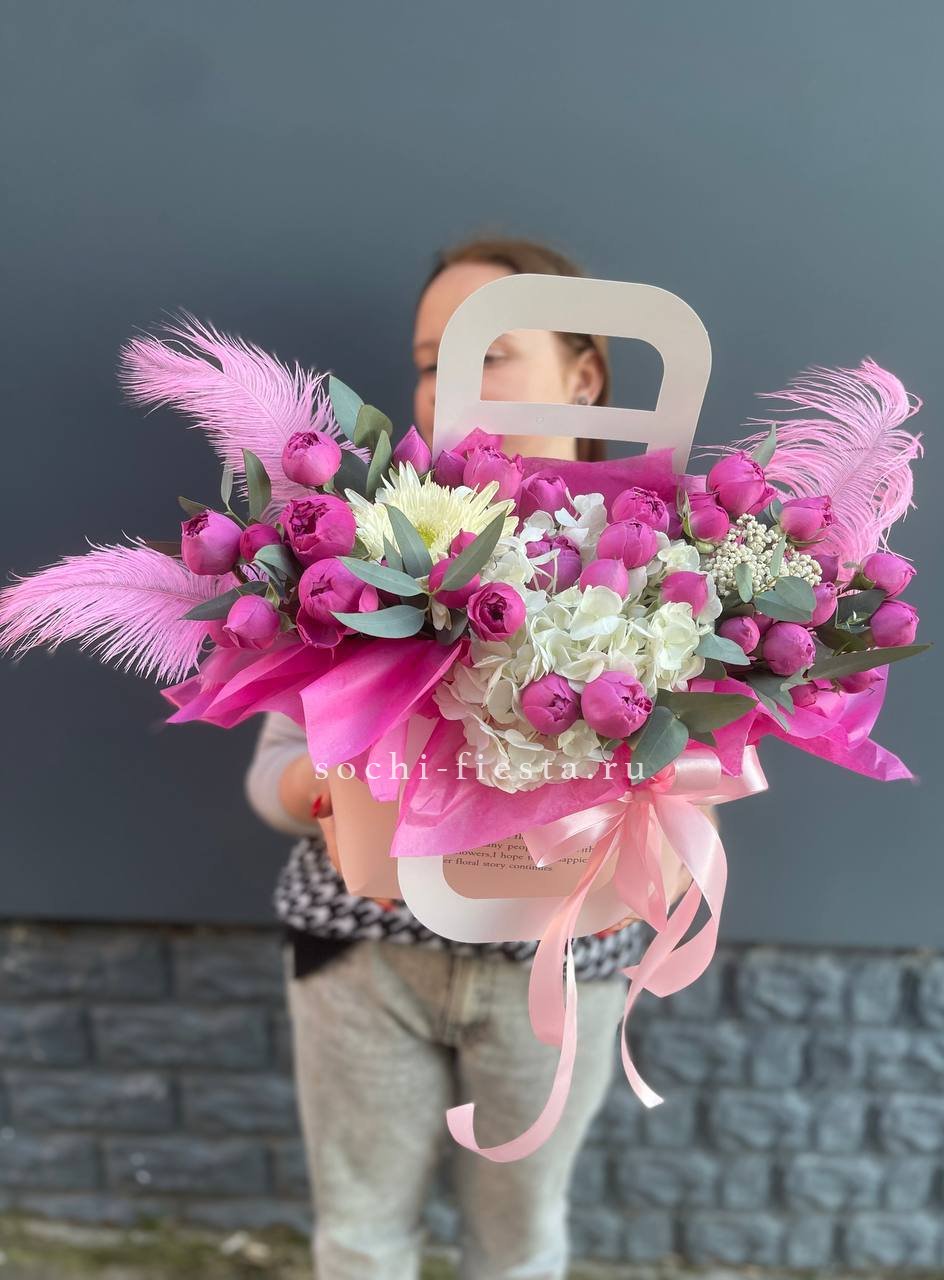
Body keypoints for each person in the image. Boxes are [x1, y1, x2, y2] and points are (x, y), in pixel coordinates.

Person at [245, 235, 671, 1280]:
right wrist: (333, 791)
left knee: (517, 1248)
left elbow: (691, 787)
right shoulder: (360, 544)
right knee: (360, 1242)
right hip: (365, 957)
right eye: (433, 361)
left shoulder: (667, 556)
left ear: (584, 376)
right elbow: (275, 773)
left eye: (491, 351)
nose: (451, 385)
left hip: (556, 974)